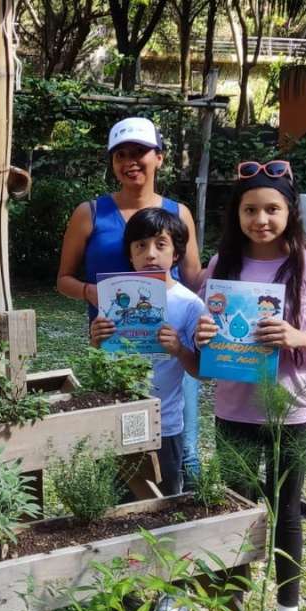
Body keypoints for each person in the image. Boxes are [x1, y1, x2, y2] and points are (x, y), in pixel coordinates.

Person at [193, 159, 306, 611]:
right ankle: (231, 604)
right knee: (235, 508)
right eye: (249, 210)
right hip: (233, 408)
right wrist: (202, 333)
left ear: (290, 212)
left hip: (294, 412)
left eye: (271, 209)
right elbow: (205, 331)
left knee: (287, 510)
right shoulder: (222, 266)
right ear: (236, 215)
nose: (260, 220)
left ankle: (287, 608)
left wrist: (296, 337)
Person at [56, 116, 204, 484]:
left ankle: (177, 522)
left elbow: (195, 279)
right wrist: (93, 292)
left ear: (160, 158)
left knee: (182, 450)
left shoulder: (179, 212)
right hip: (115, 347)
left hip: (171, 348)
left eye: (140, 151)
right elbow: (63, 280)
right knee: (120, 447)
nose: (130, 161)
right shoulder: (89, 213)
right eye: (120, 154)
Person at [89, 208, 204, 495]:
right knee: (115, 501)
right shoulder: (114, 297)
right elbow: (102, 362)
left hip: (164, 423)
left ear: (176, 254)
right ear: (130, 254)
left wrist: (178, 348)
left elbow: (201, 371)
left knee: (162, 504)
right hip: (118, 420)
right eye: (140, 246)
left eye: (160, 245)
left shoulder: (190, 304)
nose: (150, 254)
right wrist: (96, 341)